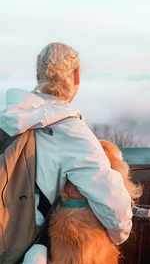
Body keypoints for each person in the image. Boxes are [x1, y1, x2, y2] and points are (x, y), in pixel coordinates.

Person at [0, 43, 132, 263]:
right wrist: (119, 236)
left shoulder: (8, 119)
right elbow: (114, 206)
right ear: (76, 76)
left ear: (37, 75)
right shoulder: (73, 133)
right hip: (33, 249)